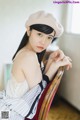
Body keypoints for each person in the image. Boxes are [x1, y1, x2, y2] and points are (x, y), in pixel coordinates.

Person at [0, 11, 72, 120]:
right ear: (29, 31)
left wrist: (52, 61)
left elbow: (38, 82)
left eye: (49, 37)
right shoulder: (28, 56)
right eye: (39, 34)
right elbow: (39, 93)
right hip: (10, 115)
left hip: (8, 110)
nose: (44, 42)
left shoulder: (27, 52)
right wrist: (54, 65)